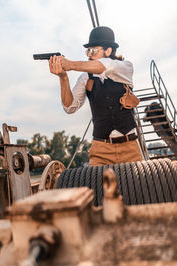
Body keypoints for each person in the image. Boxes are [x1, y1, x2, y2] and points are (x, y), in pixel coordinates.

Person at [49, 26, 143, 166]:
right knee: (98, 187)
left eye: (93, 50)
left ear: (108, 51)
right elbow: (70, 107)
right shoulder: (85, 77)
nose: (89, 54)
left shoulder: (124, 67)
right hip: (100, 150)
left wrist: (70, 64)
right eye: (88, 50)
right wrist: (63, 78)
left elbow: (105, 66)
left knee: (138, 186)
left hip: (130, 147)